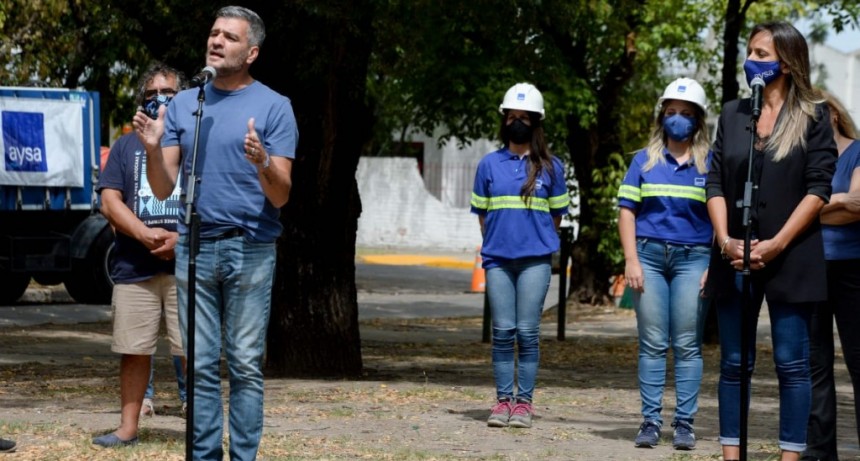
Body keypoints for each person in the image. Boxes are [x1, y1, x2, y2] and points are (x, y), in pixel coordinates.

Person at [132, 6, 297, 460]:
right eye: (214, 33)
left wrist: (263, 161)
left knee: (244, 364)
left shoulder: (275, 106)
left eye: (229, 36)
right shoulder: (187, 104)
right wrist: (153, 149)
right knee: (201, 365)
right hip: (195, 246)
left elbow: (281, 194)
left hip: (250, 246)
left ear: (252, 52)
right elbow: (163, 186)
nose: (217, 41)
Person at [705, 22, 837, 461]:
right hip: (734, 256)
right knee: (733, 363)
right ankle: (731, 456)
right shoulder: (732, 114)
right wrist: (725, 239)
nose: (751, 61)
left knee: (792, 364)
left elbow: (819, 188)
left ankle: (789, 457)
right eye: (749, 52)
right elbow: (714, 183)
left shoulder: (814, 115)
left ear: (787, 61)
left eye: (761, 54)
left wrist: (778, 243)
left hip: (791, 255)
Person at [92, 62, 187, 448]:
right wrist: (145, 234)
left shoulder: (196, 141)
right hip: (134, 265)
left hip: (186, 266)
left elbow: (213, 199)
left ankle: (202, 431)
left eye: (168, 93)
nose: (160, 99)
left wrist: (181, 238)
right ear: (141, 100)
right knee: (133, 350)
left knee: (193, 351)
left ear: (182, 99)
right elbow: (109, 201)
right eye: (152, 94)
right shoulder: (125, 145)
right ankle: (128, 429)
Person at [617, 77, 712, 450]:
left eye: (686, 113)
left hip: (695, 259)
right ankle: (650, 422)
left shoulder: (712, 164)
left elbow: (722, 218)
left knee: (687, 343)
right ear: (661, 117)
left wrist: (715, 265)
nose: (677, 118)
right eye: (671, 111)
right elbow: (627, 211)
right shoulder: (643, 160)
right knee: (653, 343)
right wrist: (631, 260)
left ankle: (685, 423)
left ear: (698, 119)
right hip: (649, 258)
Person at [470, 82, 569, 429]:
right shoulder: (488, 165)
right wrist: (499, 242)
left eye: (524, 118)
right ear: (504, 120)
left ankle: (523, 404)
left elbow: (556, 217)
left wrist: (535, 241)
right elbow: (483, 215)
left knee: (527, 332)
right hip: (498, 261)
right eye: (511, 116)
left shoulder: (551, 167)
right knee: (502, 332)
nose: (517, 123)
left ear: (536, 123)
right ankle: (502, 402)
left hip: (535, 262)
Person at [802, 93, 860, 461]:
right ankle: (819, 452)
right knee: (815, 364)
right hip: (810, 267)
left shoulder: (857, 151)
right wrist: (838, 201)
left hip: (853, 268)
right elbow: (789, 211)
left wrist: (814, 208)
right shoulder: (802, 160)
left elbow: (858, 205)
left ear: (834, 115)